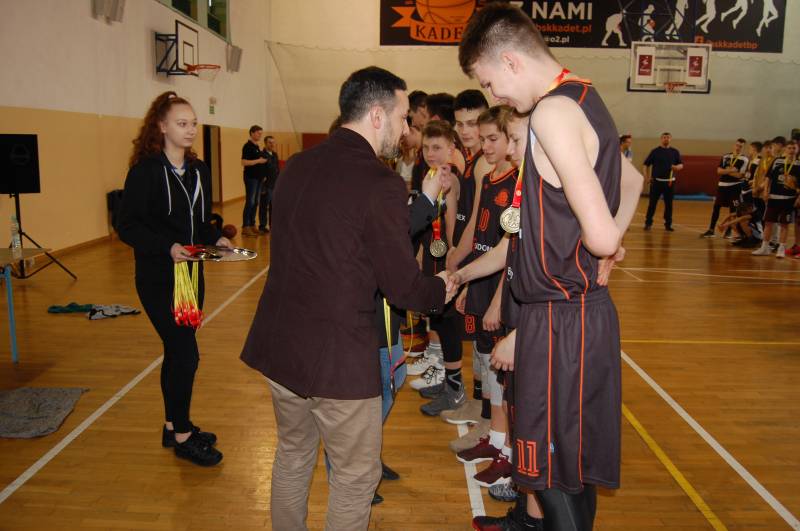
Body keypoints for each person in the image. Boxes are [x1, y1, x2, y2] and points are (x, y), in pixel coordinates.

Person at [239, 66, 454, 531]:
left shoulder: (297, 165)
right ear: (377, 115)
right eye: (402, 117)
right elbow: (402, 286)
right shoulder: (380, 184)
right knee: (356, 478)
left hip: (281, 347)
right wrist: (441, 287)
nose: (406, 129)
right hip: (336, 360)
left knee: (293, 455)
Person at [458, 4, 644, 529]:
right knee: (568, 467)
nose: (495, 96)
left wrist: (608, 244)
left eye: (489, 82)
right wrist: (609, 246)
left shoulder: (551, 114)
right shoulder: (586, 97)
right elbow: (630, 184)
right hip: (576, 313)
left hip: (561, 316)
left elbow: (600, 233)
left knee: (551, 470)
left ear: (511, 61)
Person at [118, 91, 230, 467]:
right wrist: (166, 247)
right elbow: (126, 225)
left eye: (194, 123)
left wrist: (217, 237)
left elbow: (199, 222)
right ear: (162, 126)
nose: (191, 130)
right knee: (186, 353)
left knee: (176, 350)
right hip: (157, 278)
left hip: (190, 276)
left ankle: (172, 425)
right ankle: (183, 436)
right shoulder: (146, 172)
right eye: (182, 124)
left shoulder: (199, 171)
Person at [752, 139, 799, 258]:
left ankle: (781, 249)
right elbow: (768, 178)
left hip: (789, 199)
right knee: (768, 223)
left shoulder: (799, 164)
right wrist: (766, 191)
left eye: (794, 148)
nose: (792, 150)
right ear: (785, 149)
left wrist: (798, 198)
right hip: (773, 198)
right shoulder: (777, 161)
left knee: (784, 224)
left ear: (797, 150)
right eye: (789, 148)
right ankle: (764, 248)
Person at [701, 138, 749, 238]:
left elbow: (740, 175)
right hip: (722, 185)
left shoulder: (744, 159)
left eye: (740, 146)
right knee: (716, 207)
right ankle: (711, 230)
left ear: (743, 148)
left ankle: (729, 231)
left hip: (735, 187)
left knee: (733, 210)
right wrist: (732, 170)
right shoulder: (726, 156)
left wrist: (726, 170)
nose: (738, 148)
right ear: (734, 145)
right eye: (737, 145)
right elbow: (718, 171)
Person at [643, 133, 683, 231]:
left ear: (670, 139)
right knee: (652, 204)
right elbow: (646, 165)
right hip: (656, 182)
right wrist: (646, 177)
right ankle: (648, 223)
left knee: (669, 205)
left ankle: (668, 224)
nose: (666, 139)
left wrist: (677, 167)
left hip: (669, 183)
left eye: (668, 137)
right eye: (664, 137)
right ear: (661, 139)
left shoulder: (675, 152)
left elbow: (681, 165)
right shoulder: (655, 152)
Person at [241, 125, 267, 236]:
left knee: (256, 202)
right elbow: (244, 162)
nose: (260, 135)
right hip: (251, 178)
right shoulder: (247, 146)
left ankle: (252, 224)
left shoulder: (257, 146)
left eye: (261, 133)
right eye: (258, 133)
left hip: (258, 178)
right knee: (250, 201)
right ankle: (245, 226)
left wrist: (263, 174)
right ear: (252, 133)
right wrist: (259, 161)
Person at [257, 135, 280, 234]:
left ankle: (272, 225)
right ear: (265, 143)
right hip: (266, 185)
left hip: (275, 184)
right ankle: (262, 226)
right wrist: (262, 185)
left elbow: (277, 169)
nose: (272, 144)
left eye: (273, 142)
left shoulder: (275, 154)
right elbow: (262, 170)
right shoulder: (262, 155)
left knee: (273, 206)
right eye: (270, 142)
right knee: (264, 206)